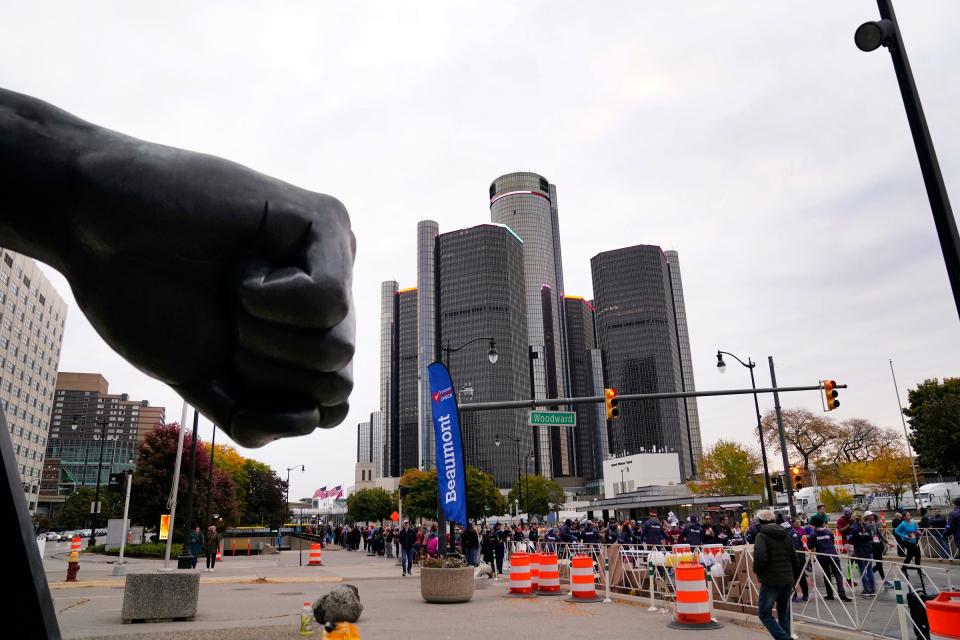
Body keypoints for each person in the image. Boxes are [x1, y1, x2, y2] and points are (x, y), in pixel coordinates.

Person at [753, 509, 800, 640]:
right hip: (787, 578)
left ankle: (785, 638)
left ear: (760, 522)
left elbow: (760, 557)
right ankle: (786, 635)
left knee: (764, 613)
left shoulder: (761, 536)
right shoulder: (786, 535)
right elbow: (794, 558)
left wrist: (757, 571)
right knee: (783, 613)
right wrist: (794, 579)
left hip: (771, 579)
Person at [807, 516, 850, 601]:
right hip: (833, 555)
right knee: (838, 575)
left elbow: (811, 548)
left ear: (814, 525)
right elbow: (832, 542)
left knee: (826, 575)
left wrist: (813, 558)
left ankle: (830, 594)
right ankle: (842, 594)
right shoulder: (828, 532)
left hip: (823, 556)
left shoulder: (813, 535)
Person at [848, 512, 876, 595]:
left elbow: (852, 539)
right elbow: (871, 537)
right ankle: (873, 589)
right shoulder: (866, 525)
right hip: (868, 549)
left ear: (854, 517)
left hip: (859, 550)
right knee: (870, 570)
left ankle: (866, 590)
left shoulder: (853, 527)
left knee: (862, 570)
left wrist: (850, 538)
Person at [787, 518, 809, 602]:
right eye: (796, 522)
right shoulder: (797, 533)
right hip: (800, 558)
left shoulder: (787, 536)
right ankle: (805, 595)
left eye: (799, 522)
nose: (799, 523)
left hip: (794, 559)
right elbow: (803, 545)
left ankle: (794, 596)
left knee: (794, 577)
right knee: (801, 577)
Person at [895, 511, 922, 575]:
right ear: (904, 517)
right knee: (910, 555)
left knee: (918, 555)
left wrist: (918, 533)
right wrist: (905, 536)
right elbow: (896, 531)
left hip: (914, 540)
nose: (909, 516)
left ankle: (918, 570)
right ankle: (904, 569)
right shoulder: (903, 524)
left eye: (909, 515)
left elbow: (915, 530)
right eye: (907, 515)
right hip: (907, 542)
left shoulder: (913, 523)